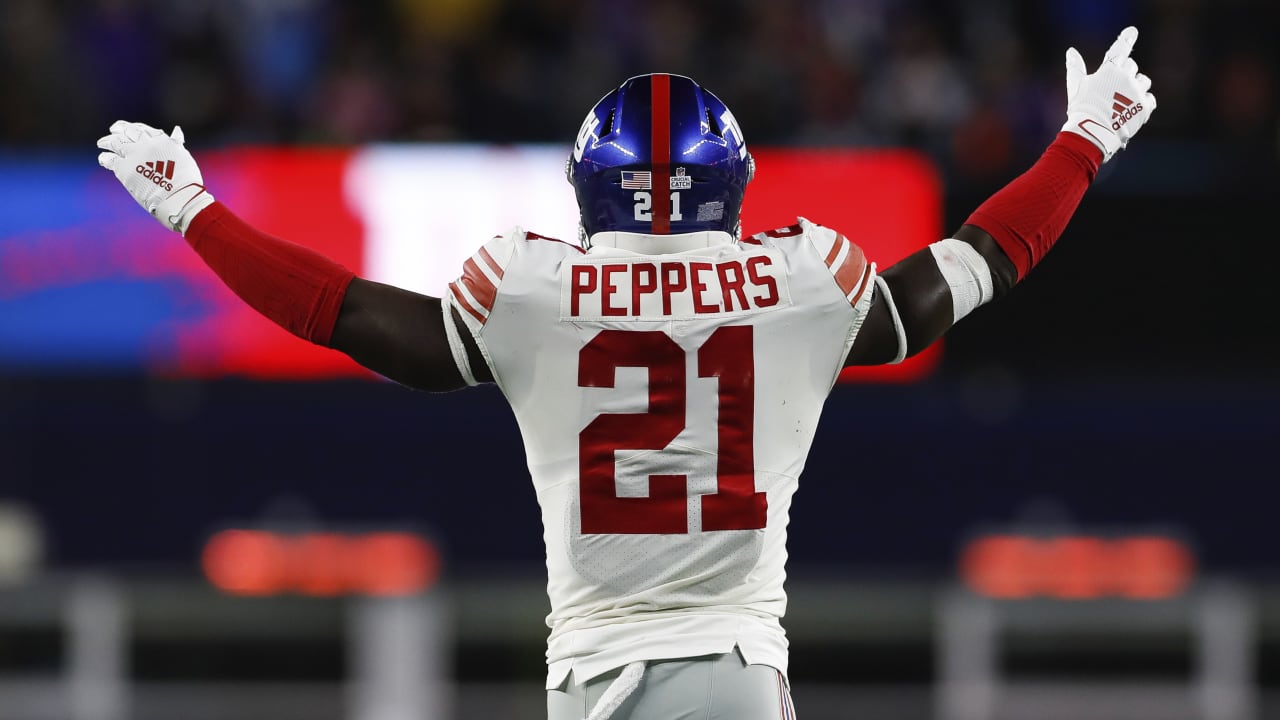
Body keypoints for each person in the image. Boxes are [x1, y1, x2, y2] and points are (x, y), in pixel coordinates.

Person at [97, 26, 1155, 720]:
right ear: (729, 184)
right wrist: (1081, 141)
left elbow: (350, 316)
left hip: (589, 679)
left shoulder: (527, 285)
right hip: (734, 673)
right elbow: (968, 269)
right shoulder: (798, 276)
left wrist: (192, 209)